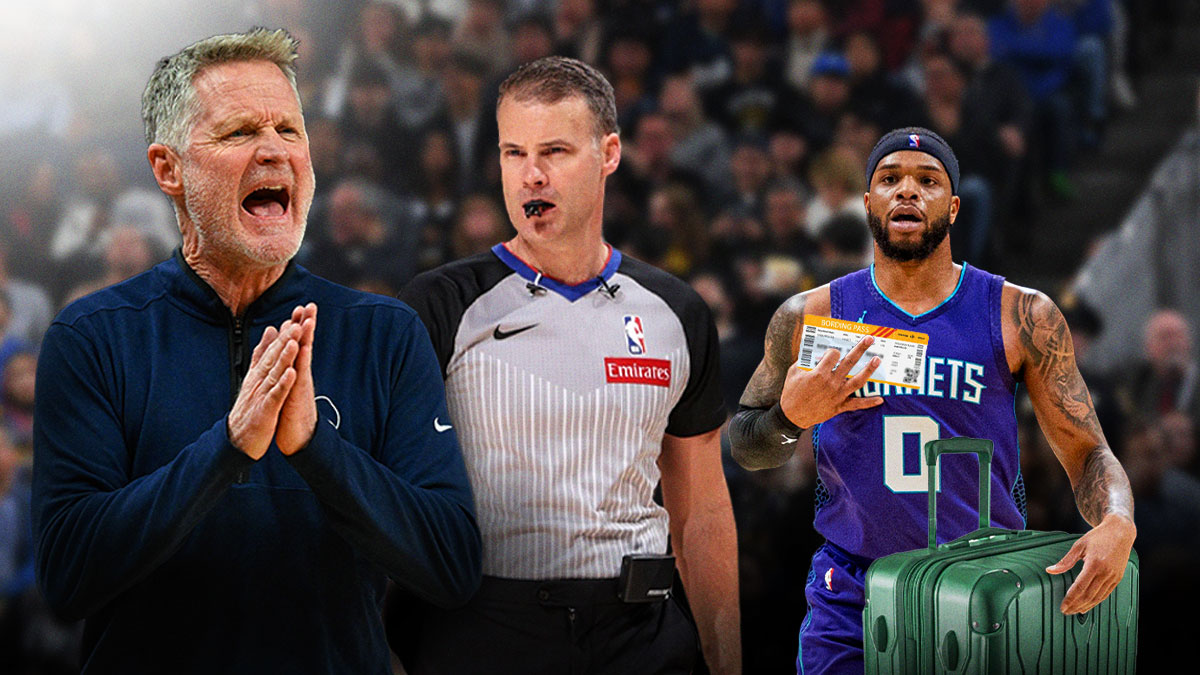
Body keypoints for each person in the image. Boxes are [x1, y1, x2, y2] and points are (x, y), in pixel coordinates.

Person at [30, 29, 481, 674]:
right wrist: (228, 446)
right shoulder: (93, 337)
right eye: (240, 132)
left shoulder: (383, 333)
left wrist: (315, 450)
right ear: (168, 169)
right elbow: (69, 579)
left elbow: (452, 566)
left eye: (289, 130)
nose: (273, 150)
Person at [729, 126, 1136, 673]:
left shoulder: (1022, 316)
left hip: (979, 589)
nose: (907, 191)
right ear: (868, 200)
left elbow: (1088, 453)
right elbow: (749, 446)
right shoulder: (807, 314)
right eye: (890, 179)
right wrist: (789, 418)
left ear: (954, 206)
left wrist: (1117, 519)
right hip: (853, 591)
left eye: (928, 180)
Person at [395, 56, 741, 674]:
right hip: (485, 627)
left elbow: (702, 511)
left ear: (608, 154)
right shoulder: (441, 304)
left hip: (642, 632)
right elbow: (389, 491)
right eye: (512, 153)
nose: (531, 175)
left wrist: (727, 663)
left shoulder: (674, 311)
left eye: (554, 151)